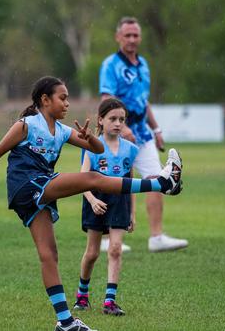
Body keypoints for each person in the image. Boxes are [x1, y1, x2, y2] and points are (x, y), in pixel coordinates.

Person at [0, 76, 183, 331]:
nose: (67, 103)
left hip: (38, 189)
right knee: (93, 179)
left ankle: (65, 322)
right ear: (45, 100)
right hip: (27, 185)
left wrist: (90, 137)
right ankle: (163, 184)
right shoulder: (26, 125)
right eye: (62, 98)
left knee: (49, 255)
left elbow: (97, 150)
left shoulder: (63, 131)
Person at [99, 16, 188, 252]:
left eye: (135, 35)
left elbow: (143, 101)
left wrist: (156, 128)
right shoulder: (111, 65)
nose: (131, 39)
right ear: (118, 37)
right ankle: (107, 239)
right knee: (114, 182)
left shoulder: (143, 64)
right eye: (127, 35)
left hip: (143, 132)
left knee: (157, 179)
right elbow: (106, 98)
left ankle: (156, 237)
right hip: (118, 132)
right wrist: (121, 125)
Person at [73, 98, 137, 316]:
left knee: (115, 249)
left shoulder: (130, 149)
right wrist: (92, 200)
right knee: (92, 253)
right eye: (113, 119)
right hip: (95, 199)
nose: (118, 123)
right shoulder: (92, 146)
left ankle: (110, 301)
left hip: (119, 200)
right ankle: (82, 295)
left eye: (122, 119)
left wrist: (132, 213)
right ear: (101, 120)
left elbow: (130, 183)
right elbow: (82, 179)